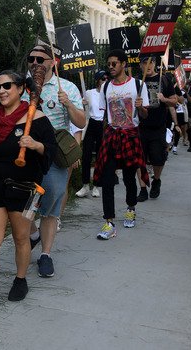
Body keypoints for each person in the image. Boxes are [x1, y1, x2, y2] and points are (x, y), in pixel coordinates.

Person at [0, 70, 57, 310]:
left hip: (25, 191)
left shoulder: (35, 116)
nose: (1, 91)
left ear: (20, 89)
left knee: (20, 237)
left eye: (7, 86)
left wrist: (36, 145)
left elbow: (52, 149)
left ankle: (20, 279)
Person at [22, 44, 86, 278]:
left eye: (41, 59)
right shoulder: (21, 86)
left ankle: (46, 255)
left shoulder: (67, 87)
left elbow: (81, 122)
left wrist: (68, 104)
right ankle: (33, 234)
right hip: (26, 154)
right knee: (24, 206)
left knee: (50, 210)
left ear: (53, 62)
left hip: (54, 157)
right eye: (32, 58)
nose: (35, 62)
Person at [93, 49, 149, 239]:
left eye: (114, 64)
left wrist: (141, 108)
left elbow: (144, 116)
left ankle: (131, 208)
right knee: (107, 180)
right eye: (108, 64)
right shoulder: (107, 87)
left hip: (130, 136)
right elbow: (105, 117)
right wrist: (103, 141)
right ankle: (109, 222)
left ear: (124, 64)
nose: (110, 67)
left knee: (129, 177)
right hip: (112, 136)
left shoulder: (138, 85)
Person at [136, 56, 177, 200]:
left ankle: (156, 180)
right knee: (140, 158)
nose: (148, 66)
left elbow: (175, 101)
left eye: (151, 62)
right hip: (140, 126)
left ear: (155, 64)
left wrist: (164, 99)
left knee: (158, 158)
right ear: (140, 65)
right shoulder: (136, 81)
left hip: (158, 126)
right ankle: (142, 188)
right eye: (144, 63)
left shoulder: (164, 80)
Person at [76, 70, 108, 198]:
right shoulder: (89, 93)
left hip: (104, 125)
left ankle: (96, 186)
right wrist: (83, 104)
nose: (105, 80)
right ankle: (85, 185)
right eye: (103, 78)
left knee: (100, 157)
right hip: (92, 123)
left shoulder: (109, 93)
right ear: (97, 80)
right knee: (86, 156)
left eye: (107, 78)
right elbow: (82, 109)